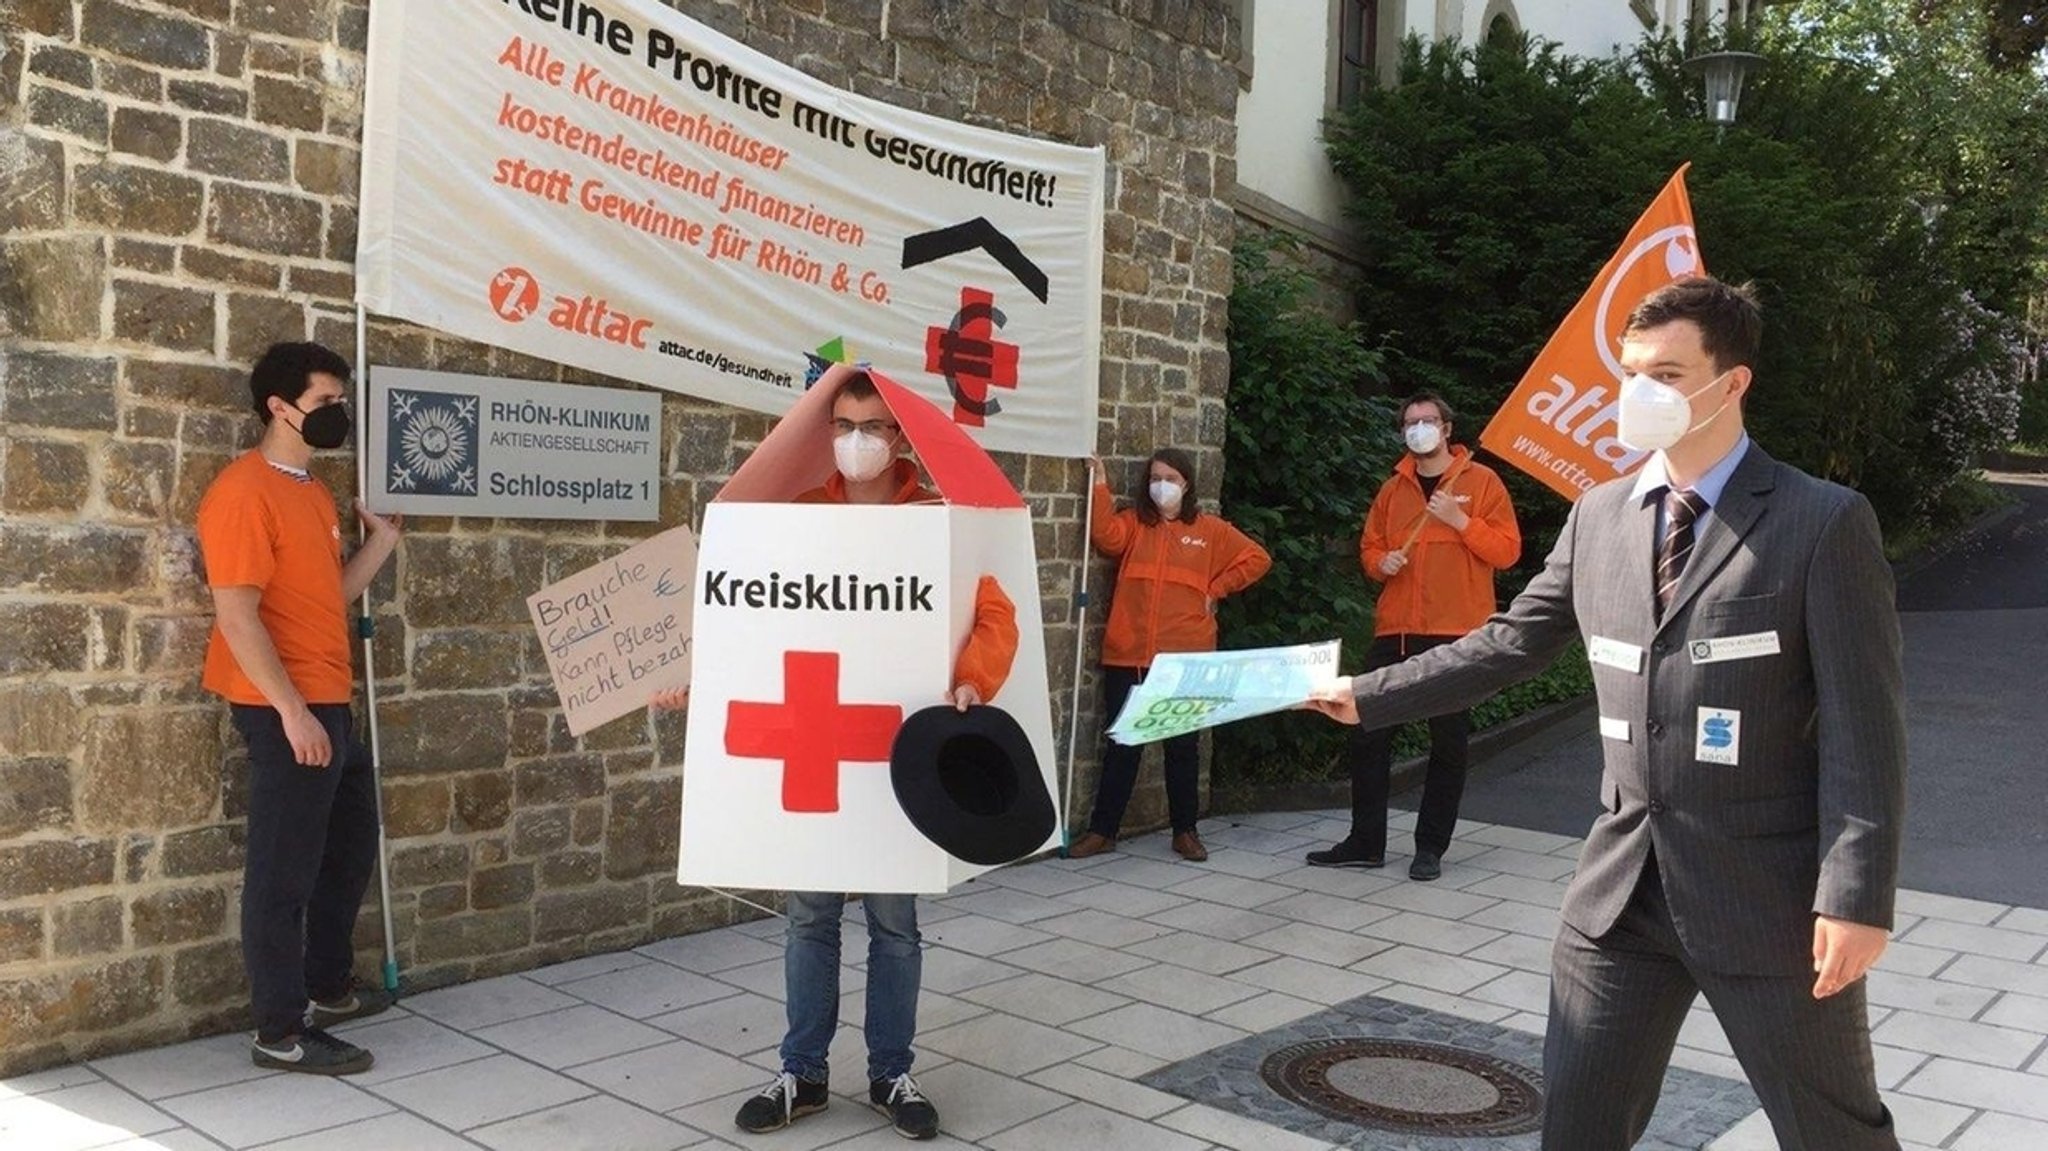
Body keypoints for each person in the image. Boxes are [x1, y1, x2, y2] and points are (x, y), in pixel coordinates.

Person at [1308, 277, 1905, 1151]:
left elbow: (1866, 724)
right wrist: (1369, 695)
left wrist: (1856, 897)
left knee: (1835, 1133)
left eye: (1667, 372)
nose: (1641, 393)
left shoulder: (1821, 522)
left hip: (1770, 904)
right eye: (1630, 372)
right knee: (1578, 1131)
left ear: (1731, 383)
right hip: (1619, 897)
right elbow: (1508, 643)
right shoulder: (1599, 516)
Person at [652, 372, 1017, 1141]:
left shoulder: (933, 521)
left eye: (874, 424)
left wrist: (971, 679)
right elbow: (743, 616)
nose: (857, 438)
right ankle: (803, 1071)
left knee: (896, 924)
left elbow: (993, 607)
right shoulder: (792, 520)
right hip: (813, 749)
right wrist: (703, 681)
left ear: (900, 437)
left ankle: (892, 1072)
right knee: (808, 918)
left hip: (896, 755)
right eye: (844, 422)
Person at [196, 342, 402, 1075]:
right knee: (282, 872)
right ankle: (280, 1029)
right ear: (279, 408)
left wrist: (383, 543)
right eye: (324, 402)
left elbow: (326, 597)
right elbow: (237, 614)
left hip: (327, 699)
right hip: (284, 705)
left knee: (347, 847)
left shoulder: (310, 491)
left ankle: (326, 986)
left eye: (341, 401)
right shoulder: (243, 493)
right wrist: (291, 711)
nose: (337, 413)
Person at [1306, 393, 1520, 880]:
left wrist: (1461, 521)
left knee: (1448, 743)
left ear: (1447, 428)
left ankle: (1430, 848)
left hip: (1455, 632)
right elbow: (1369, 550)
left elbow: (1507, 551)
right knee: (1365, 731)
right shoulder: (1392, 490)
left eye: (1427, 421)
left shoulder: (1482, 483)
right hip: (1396, 630)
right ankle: (1366, 842)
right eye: (1410, 422)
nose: (1418, 428)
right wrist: (1380, 563)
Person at [1068, 449, 1271, 863]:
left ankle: (1186, 831)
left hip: (1187, 659)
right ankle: (1103, 831)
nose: (1163, 485)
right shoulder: (1134, 525)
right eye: (1156, 477)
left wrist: (1218, 588)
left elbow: (1258, 558)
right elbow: (1105, 535)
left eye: (1172, 478)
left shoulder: (1210, 530)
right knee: (1124, 745)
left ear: (1187, 484)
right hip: (1130, 654)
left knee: (1183, 748)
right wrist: (1101, 482)